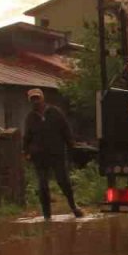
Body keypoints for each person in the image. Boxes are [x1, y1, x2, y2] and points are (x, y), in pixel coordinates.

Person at [23, 89, 82, 220]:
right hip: (39, 156)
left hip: (56, 153)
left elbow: (66, 129)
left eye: (37, 98)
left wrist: (71, 145)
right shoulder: (30, 118)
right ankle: (47, 216)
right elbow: (27, 136)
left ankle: (73, 206)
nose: (35, 101)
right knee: (43, 185)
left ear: (42, 98)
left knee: (63, 181)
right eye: (33, 99)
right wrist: (26, 152)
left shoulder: (55, 112)